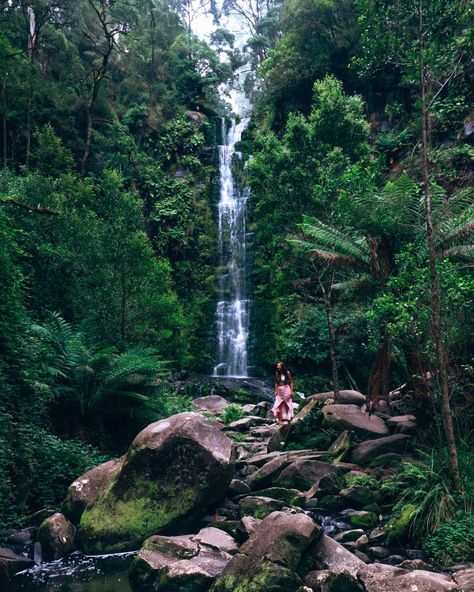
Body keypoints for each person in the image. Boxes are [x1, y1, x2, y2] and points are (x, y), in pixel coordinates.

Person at [272, 361, 294, 426]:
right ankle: (280, 420)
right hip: (279, 390)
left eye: (279, 366)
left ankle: (287, 419)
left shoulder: (287, 373)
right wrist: (276, 391)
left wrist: (291, 391)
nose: (277, 367)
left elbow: (291, 382)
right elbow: (276, 383)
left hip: (286, 389)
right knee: (279, 405)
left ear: (282, 366)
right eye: (277, 366)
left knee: (287, 404)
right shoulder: (277, 373)